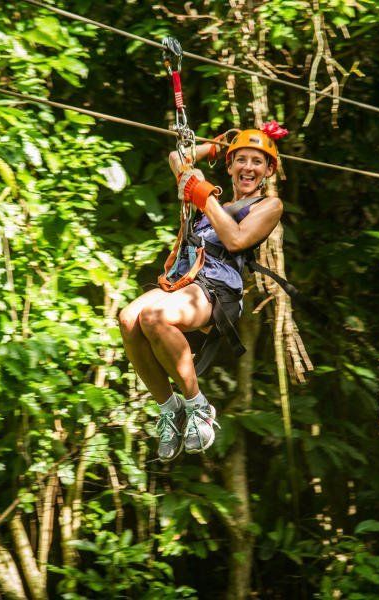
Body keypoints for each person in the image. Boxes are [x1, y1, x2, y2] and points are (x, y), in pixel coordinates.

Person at [118, 121, 288, 462]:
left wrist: (202, 194)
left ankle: (199, 407)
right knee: (128, 318)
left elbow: (236, 239)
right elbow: (175, 157)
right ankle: (171, 408)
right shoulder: (213, 198)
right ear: (230, 165)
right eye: (241, 160)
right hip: (185, 280)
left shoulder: (268, 206)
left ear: (269, 170)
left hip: (217, 289)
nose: (248, 168)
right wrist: (214, 147)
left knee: (153, 317)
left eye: (257, 162)